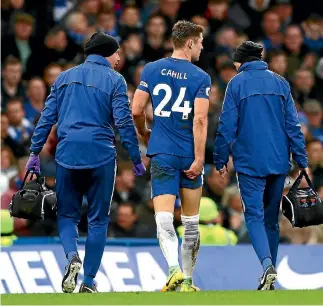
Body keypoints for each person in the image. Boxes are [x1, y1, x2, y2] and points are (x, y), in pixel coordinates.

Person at [25, 32, 146, 293]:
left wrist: (34, 153)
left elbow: (46, 119)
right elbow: (124, 122)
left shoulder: (64, 78)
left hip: (67, 155)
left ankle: (72, 257)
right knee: (98, 220)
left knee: (67, 215)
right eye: (116, 52)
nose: (119, 57)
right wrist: (135, 158)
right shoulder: (115, 80)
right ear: (107, 53)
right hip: (101, 156)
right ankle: (89, 282)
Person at [213, 41, 308, 290]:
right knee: (271, 220)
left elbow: (226, 126)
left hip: (249, 163)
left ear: (241, 61)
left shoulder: (236, 83)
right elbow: (293, 125)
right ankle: (271, 277)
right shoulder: (280, 83)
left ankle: (267, 266)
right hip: (278, 162)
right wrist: (302, 158)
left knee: (253, 216)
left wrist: (220, 158)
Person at [132, 20, 211, 292]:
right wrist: (199, 158)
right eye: (200, 42)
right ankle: (188, 280)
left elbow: (136, 109)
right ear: (189, 42)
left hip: (163, 152)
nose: (202, 47)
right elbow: (200, 120)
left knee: (163, 217)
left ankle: (173, 270)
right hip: (189, 154)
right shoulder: (201, 77)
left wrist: (145, 133)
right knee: (190, 220)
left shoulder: (152, 69)